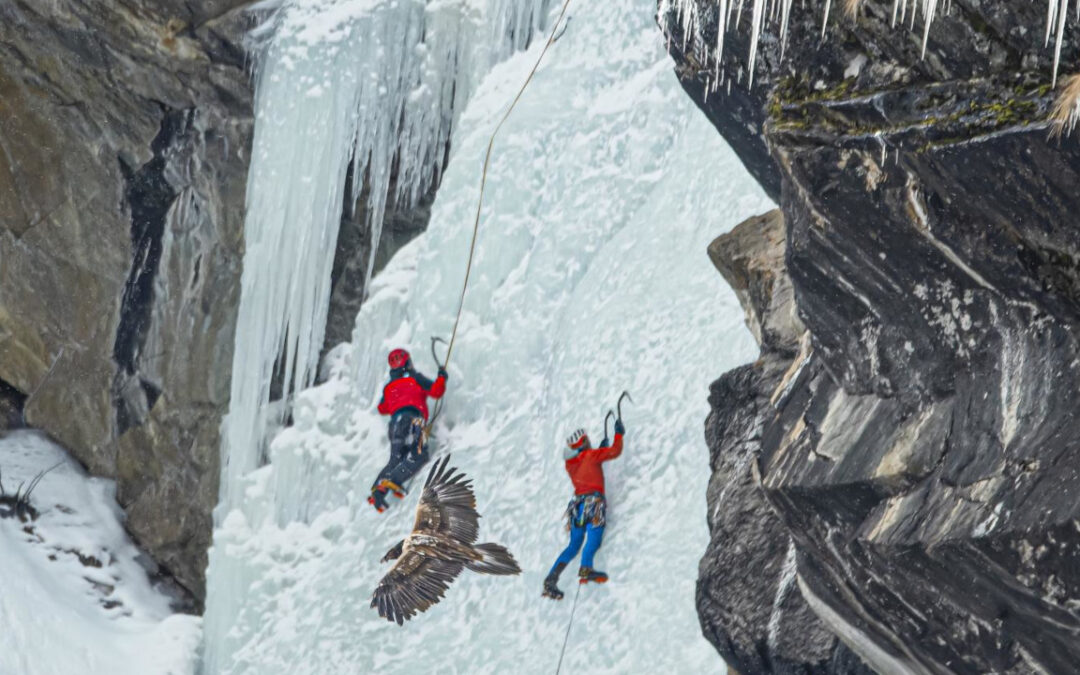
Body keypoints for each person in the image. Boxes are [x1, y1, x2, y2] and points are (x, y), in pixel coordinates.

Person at [542, 418, 625, 599]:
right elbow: (615, 451)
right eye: (586, 441)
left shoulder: (570, 464)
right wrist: (619, 434)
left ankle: (551, 578)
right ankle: (586, 568)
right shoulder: (590, 455)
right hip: (593, 505)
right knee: (593, 539)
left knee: (573, 545)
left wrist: (599, 450)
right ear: (582, 444)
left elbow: (589, 464)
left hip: (577, 507)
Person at [368, 348, 448, 512]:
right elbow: (436, 391)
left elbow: (382, 408)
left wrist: (397, 400)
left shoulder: (389, 387)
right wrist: (441, 377)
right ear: (407, 363)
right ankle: (394, 480)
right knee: (420, 455)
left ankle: (378, 490)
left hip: (395, 424)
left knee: (396, 458)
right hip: (414, 420)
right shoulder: (415, 378)